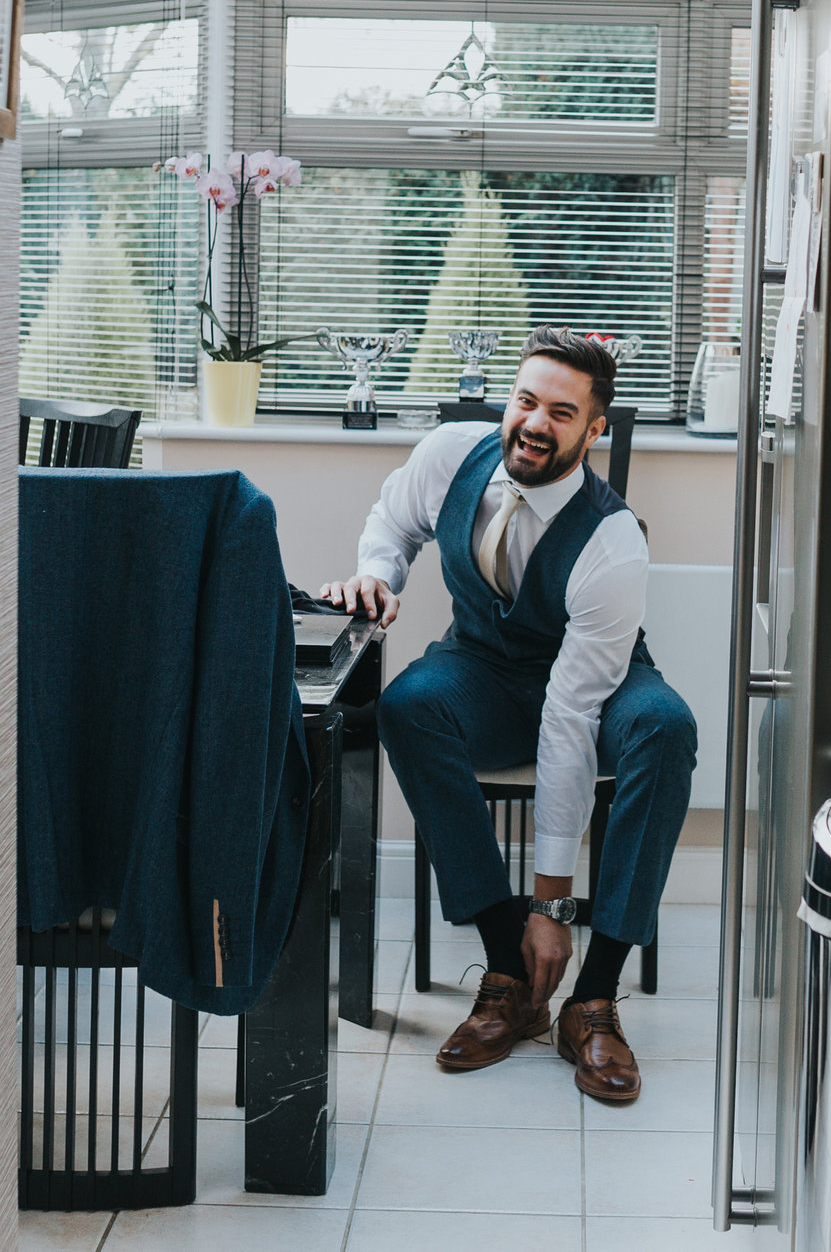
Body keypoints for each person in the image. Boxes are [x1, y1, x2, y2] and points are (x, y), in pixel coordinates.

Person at [318, 327, 695, 1105]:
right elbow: (392, 524)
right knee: (408, 704)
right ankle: (510, 978)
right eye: (526, 400)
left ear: (593, 430)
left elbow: (569, 714)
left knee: (667, 729)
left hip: (600, 681)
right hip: (483, 667)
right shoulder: (451, 453)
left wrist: (551, 903)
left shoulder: (613, 541)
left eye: (561, 412)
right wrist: (375, 577)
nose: (533, 422)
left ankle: (591, 1000)